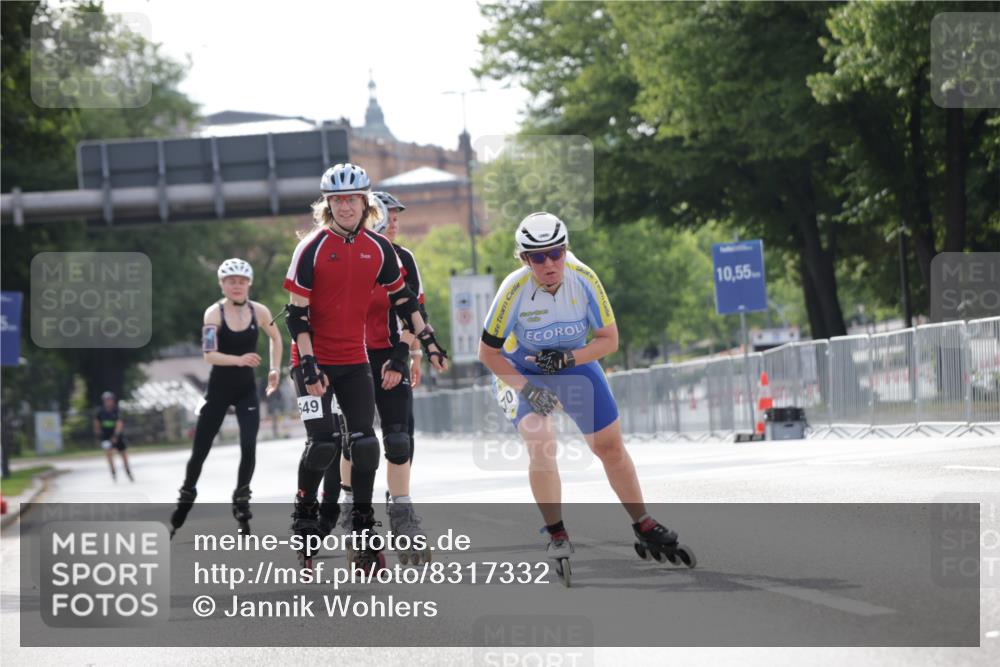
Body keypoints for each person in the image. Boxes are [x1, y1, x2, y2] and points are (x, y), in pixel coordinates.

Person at [478, 212, 695, 585]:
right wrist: (530, 390)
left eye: (556, 253)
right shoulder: (513, 291)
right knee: (541, 443)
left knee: (610, 447)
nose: (549, 263)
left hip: (575, 362)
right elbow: (488, 354)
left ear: (566, 250)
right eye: (538, 257)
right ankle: (556, 532)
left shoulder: (585, 279)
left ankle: (643, 522)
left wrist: (567, 358)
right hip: (524, 369)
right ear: (524, 259)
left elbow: (609, 340)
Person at [283, 163, 447, 572]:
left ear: (364, 203)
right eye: (337, 200)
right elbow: (295, 317)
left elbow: (405, 300)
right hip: (311, 362)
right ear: (328, 205)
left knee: (365, 445)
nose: (345, 207)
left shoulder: (380, 250)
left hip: (354, 359)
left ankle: (363, 530)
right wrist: (308, 364)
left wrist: (426, 342)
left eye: (351, 199)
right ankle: (305, 517)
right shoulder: (311, 249)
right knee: (322, 444)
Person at [329, 191, 441, 565]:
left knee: (397, 438)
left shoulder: (404, 258)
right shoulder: (343, 257)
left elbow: (415, 313)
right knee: (356, 441)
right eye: (386, 220)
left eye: (394, 220)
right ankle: (351, 511)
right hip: (348, 356)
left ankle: (403, 516)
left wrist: (404, 354)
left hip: (388, 350)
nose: (393, 226)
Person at [169, 258, 283, 538]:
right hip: (219, 390)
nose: (237, 286)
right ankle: (187, 494)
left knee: (248, 445)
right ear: (222, 284)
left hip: (247, 390)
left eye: (242, 282)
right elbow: (209, 355)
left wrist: (274, 369)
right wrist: (239, 359)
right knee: (200, 451)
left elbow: (276, 338)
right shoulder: (214, 314)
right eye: (231, 281)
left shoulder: (260, 311)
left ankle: (241, 497)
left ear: (249, 284)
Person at [94, 391, 132, 482]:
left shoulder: (117, 410)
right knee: (109, 454)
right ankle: (113, 471)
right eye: (106, 400)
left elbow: (119, 424)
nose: (108, 402)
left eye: (110, 400)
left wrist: (116, 436)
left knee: (124, 454)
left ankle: (128, 471)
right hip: (106, 436)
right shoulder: (100, 411)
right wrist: (98, 435)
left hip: (117, 435)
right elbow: (97, 424)